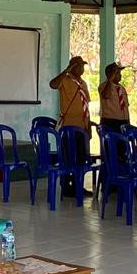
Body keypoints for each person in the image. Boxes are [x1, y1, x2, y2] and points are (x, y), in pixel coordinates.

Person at [50, 56, 91, 197]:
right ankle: (67, 186)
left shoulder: (83, 83)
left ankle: (78, 185)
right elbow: (53, 84)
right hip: (68, 127)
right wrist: (65, 72)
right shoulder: (65, 80)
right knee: (68, 158)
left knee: (80, 158)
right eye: (79, 66)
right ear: (73, 67)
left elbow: (86, 105)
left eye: (83, 66)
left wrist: (88, 127)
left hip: (82, 127)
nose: (82, 69)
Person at [99, 62, 131, 134]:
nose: (120, 75)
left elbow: (125, 106)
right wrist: (110, 80)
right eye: (117, 73)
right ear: (109, 74)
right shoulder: (103, 86)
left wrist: (128, 121)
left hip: (123, 121)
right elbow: (106, 95)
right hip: (110, 121)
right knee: (111, 143)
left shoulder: (121, 88)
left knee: (122, 144)